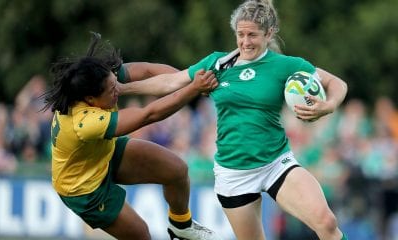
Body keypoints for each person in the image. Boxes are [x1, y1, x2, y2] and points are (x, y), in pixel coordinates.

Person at [133, 1, 349, 239]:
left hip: (276, 164)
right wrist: (121, 88)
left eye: (253, 35)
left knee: (327, 223)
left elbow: (337, 83)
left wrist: (328, 106)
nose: (246, 42)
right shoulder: (217, 64)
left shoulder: (286, 65)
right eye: (241, 34)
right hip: (233, 174)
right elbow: (170, 82)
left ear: (269, 33)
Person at [41, 32, 222, 240]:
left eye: (115, 83)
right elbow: (149, 114)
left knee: (177, 170)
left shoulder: (100, 75)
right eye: (111, 91)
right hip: (84, 189)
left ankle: (181, 226)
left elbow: (147, 69)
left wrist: (188, 79)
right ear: (91, 99)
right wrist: (193, 89)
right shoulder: (84, 122)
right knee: (142, 236)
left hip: (101, 153)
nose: (118, 90)